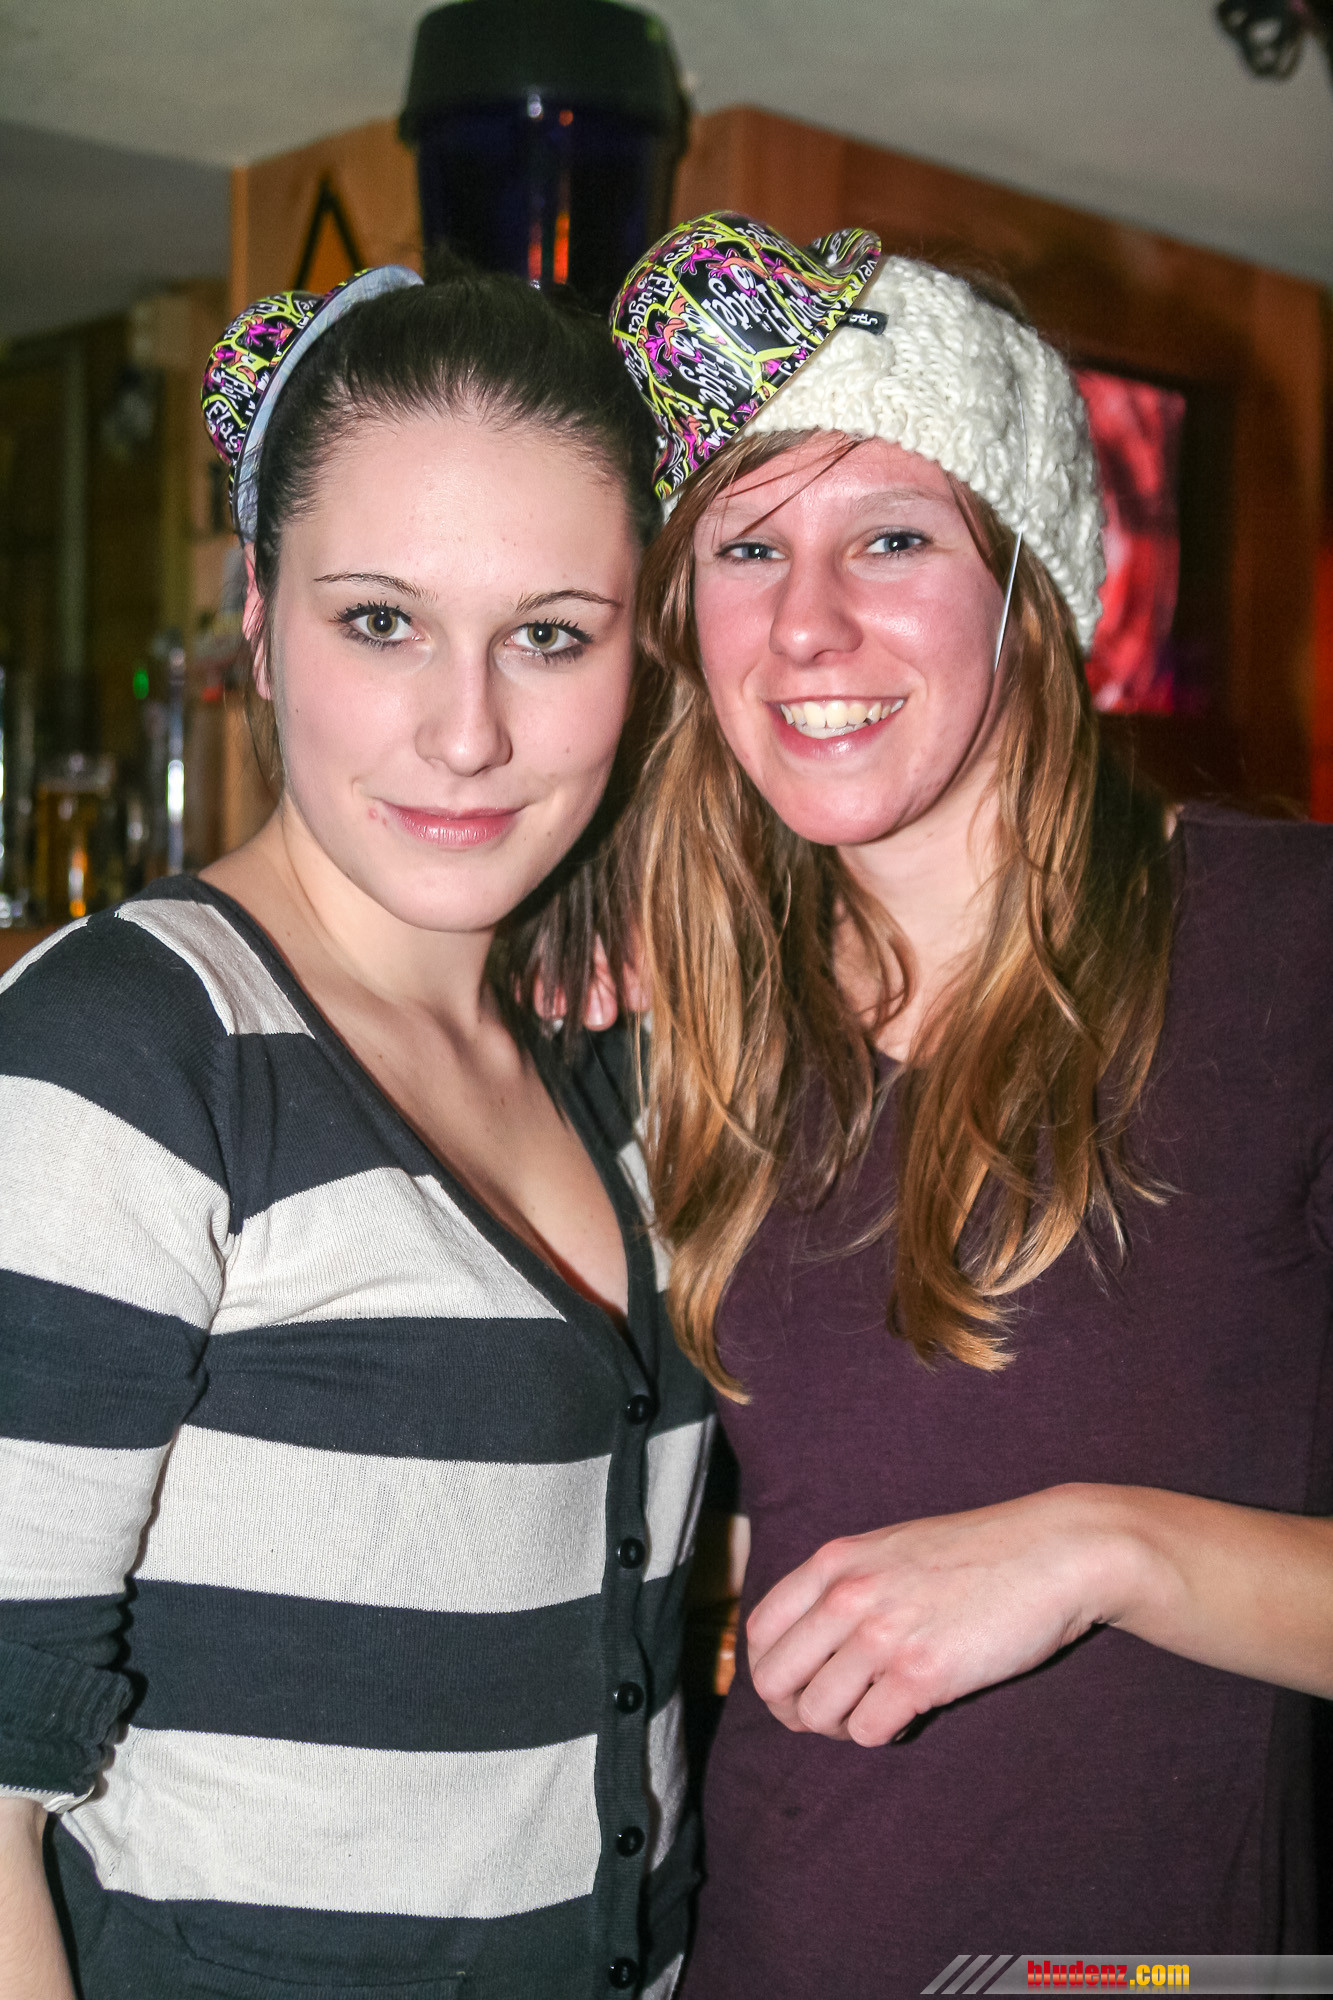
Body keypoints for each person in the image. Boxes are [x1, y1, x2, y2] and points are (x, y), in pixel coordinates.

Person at [605, 213, 1333, 1992]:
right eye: (745, 546)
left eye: (891, 536)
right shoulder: (708, 1030)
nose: (806, 623)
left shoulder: (1287, 948)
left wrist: (1103, 1551)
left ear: (1029, 585)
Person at [0, 260, 712, 2000]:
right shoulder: (128, 1055)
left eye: (551, 634)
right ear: (256, 617)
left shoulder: (601, 1062)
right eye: (380, 621)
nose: (466, 734)